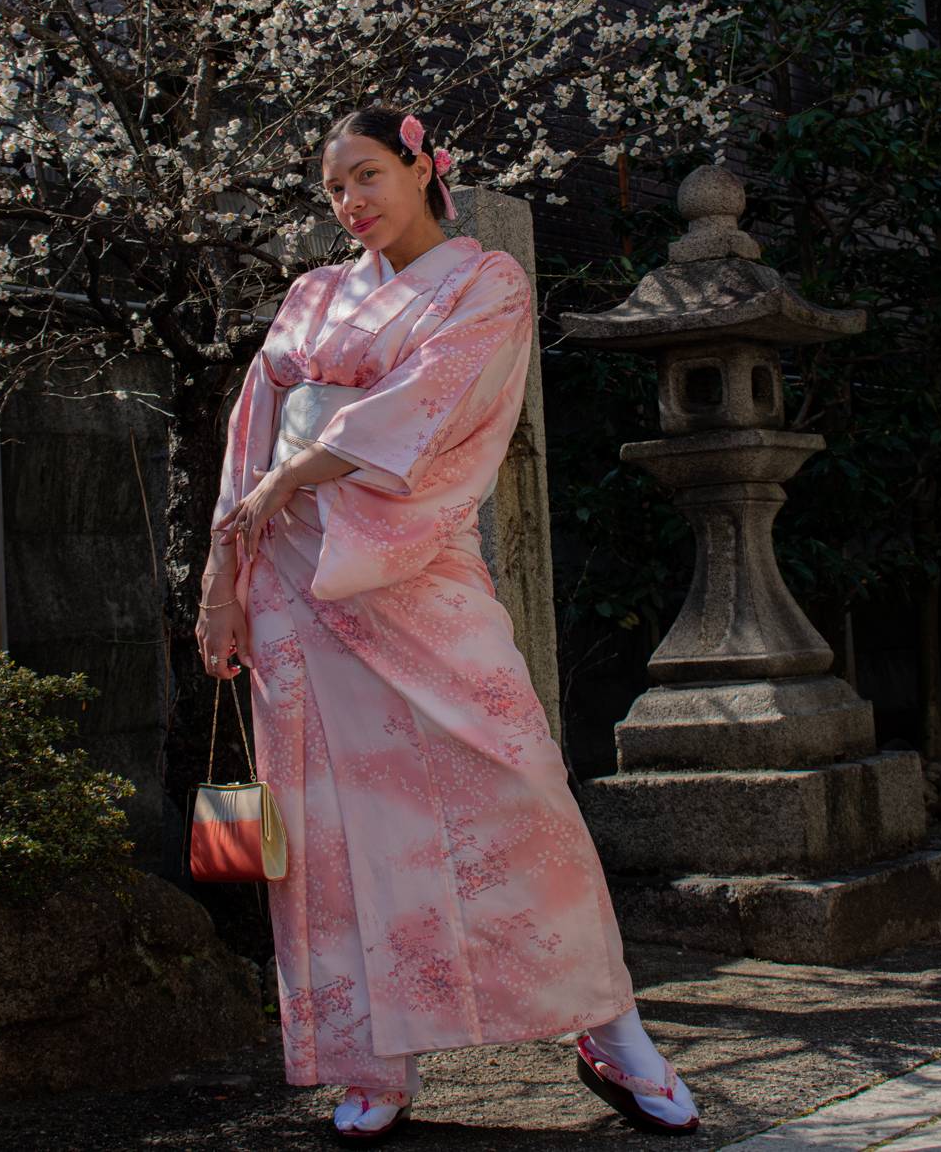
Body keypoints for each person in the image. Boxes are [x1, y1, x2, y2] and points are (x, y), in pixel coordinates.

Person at [196, 104, 699, 1143]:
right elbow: (250, 441)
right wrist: (223, 582)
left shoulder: (485, 283)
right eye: (335, 187)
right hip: (290, 578)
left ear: (425, 167)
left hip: (411, 566)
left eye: (369, 175)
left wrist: (296, 471)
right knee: (332, 819)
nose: (351, 202)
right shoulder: (312, 293)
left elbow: (432, 402)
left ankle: (611, 1027)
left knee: (521, 786)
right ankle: (371, 1061)